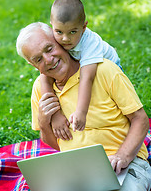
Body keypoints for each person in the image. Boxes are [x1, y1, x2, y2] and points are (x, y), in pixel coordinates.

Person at [16, 22, 151, 190]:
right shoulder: (40, 89)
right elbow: (56, 144)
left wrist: (123, 156)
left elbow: (141, 120)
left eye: (49, 49)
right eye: (38, 59)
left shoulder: (104, 70)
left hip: (125, 165)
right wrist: (44, 122)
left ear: (60, 41)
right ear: (33, 65)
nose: (48, 60)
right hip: (79, 173)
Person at [40, 0, 122, 132]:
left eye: (73, 32)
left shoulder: (90, 43)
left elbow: (87, 78)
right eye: (59, 31)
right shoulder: (55, 39)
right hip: (82, 68)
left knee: (98, 93)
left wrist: (81, 112)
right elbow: (44, 76)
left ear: (84, 27)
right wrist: (55, 115)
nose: (65, 39)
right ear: (51, 26)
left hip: (108, 70)